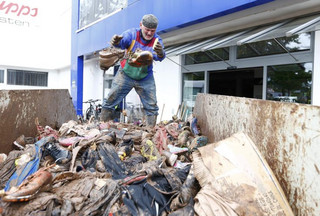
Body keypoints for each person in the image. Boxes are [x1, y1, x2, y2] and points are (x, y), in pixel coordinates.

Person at [100, 14, 165, 127]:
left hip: (145, 78)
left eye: (152, 31)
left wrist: (160, 53)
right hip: (125, 74)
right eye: (147, 30)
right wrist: (116, 42)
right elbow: (121, 43)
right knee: (110, 100)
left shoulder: (156, 40)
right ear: (141, 25)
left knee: (152, 106)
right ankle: (103, 127)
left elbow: (160, 56)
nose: (149, 33)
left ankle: (150, 132)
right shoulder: (131, 34)